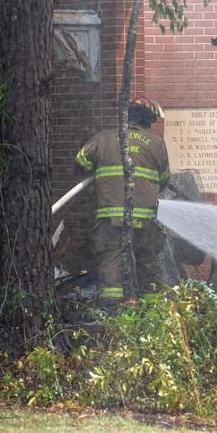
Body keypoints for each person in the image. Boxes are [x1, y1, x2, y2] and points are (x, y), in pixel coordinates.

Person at [75, 95, 170, 310]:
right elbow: (164, 179)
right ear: (148, 120)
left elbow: (80, 161)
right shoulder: (157, 144)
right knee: (147, 265)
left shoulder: (104, 138)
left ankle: (113, 315)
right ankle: (151, 316)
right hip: (145, 223)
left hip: (111, 221)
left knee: (112, 265)